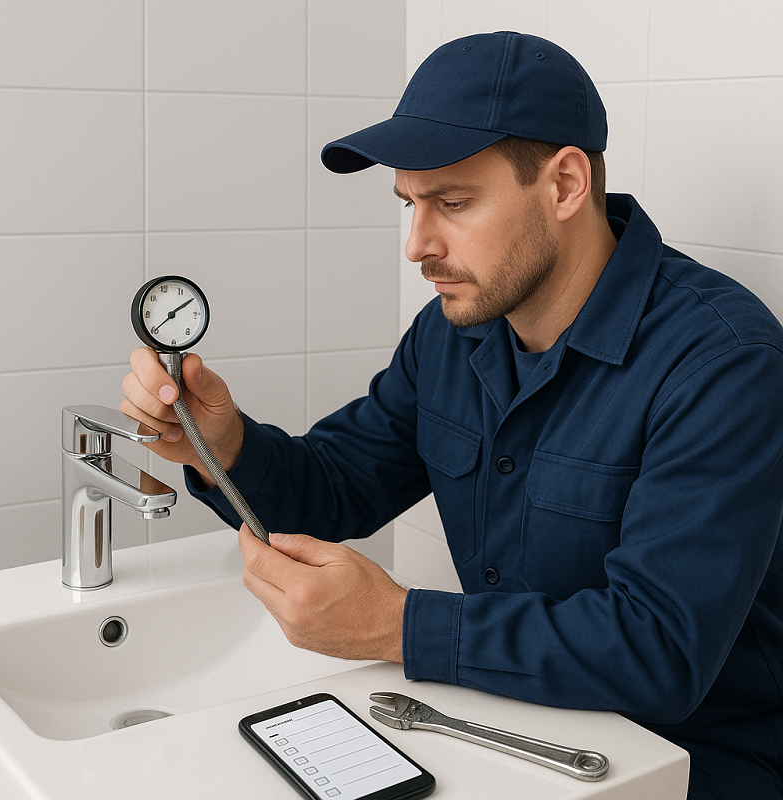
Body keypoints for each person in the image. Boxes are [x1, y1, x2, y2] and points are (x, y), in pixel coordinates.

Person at [121, 32, 783, 799]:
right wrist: (221, 445)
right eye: (409, 203)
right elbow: (337, 487)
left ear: (565, 184)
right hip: (504, 727)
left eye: (453, 203)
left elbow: (658, 649)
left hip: (687, 769)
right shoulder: (452, 332)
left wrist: (398, 625)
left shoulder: (723, 363)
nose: (416, 245)